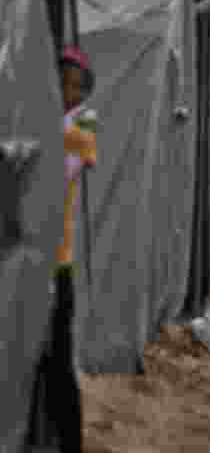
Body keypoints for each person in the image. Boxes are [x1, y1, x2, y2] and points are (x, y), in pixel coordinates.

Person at [26, 45, 94, 452]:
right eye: (63, 84)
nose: (70, 92)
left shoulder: (83, 122)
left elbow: (58, 169)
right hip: (40, 256)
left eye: (76, 85)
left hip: (60, 260)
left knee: (59, 359)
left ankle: (69, 441)